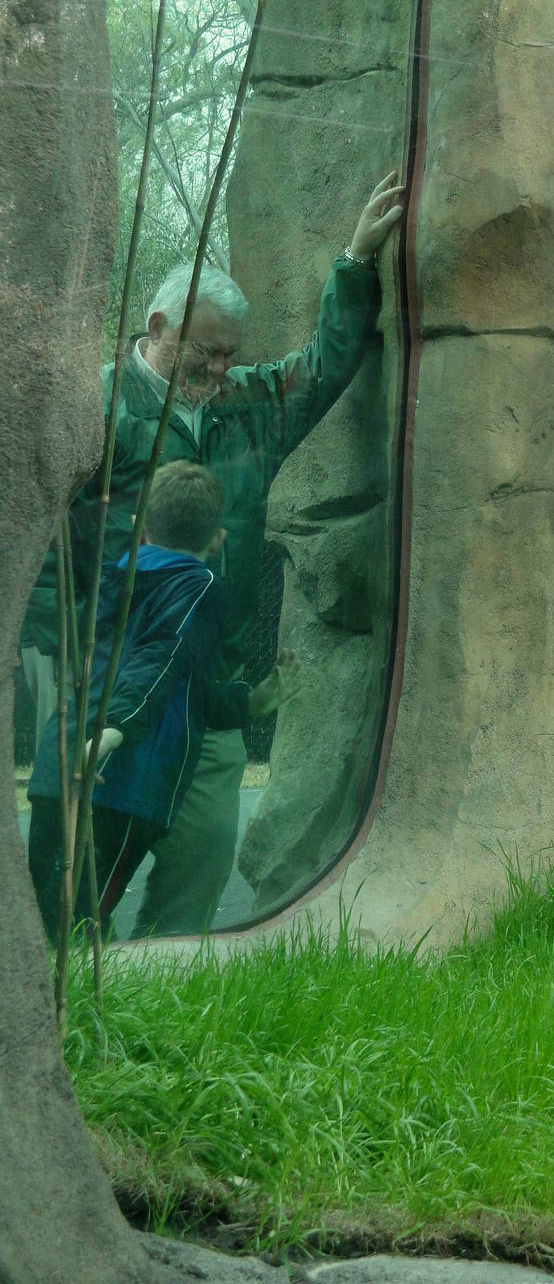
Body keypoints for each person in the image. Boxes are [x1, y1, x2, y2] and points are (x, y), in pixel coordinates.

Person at [20, 171, 404, 935]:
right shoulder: (93, 409)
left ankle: (157, 1019)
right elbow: (41, 545)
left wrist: (356, 263)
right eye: (206, 352)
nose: (220, 370)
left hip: (210, 695)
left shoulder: (246, 411)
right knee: (70, 884)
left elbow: (323, 365)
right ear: (159, 324)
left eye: (231, 355)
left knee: (197, 872)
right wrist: (44, 652)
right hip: (107, 689)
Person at [25, 462, 298, 941]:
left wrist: (248, 704)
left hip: (60, 762)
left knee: (43, 920)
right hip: (124, 782)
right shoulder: (199, 585)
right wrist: (114, 729)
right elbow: (161, 656)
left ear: (138, 528)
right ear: (218, 540)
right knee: (79, 923)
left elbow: (179, 682)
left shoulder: (112, 577)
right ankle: (83, 1010)